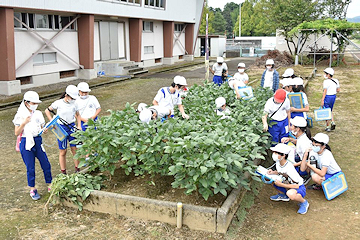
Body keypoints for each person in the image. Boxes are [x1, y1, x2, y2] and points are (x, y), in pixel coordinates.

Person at [13, 91, 52, 200]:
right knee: (30, 167)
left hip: (37, 139)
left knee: (46, 163)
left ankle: (50, 184)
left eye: (36, 103)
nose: (35, 105)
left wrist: (45, 129)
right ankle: (32, 189)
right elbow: (16, 132)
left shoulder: (38, 113)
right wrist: (24, 123)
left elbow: (42, 126)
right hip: (26, 141)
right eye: (33, 103)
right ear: (26, 102)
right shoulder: (20, 115)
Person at [45, 85, 81, 174]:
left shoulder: (75, 103)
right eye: (72, 98)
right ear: (66, 95)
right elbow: (47, 110)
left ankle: (77, 169)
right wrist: (52, 122)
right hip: (60, 127)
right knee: (63, 151)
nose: (73, 99)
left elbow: (78, 115)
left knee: (74, 149)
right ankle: (63, 172)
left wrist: (79, 125)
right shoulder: (58, 103)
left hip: (71, 126)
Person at [267, 143, 309, 214]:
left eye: (277, 153)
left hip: (298, 187)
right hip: (287, 183)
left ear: (283, 155)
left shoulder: (289, 168)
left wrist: (281, 185)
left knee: (291, 194)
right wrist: (273, 172)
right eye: (274, 152)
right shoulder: (278, 162)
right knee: (270, 178)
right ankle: (283, 195)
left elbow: (296, 186)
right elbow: (281, 172)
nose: (274, 154)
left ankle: (304, 202)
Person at [281, 116, 312, 184]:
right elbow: (298, 141)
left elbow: (307, 161)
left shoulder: (304, 143)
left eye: (292, 126)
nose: (291, 127)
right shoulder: (301, 137)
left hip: (304, 164)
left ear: (297, 129)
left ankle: (305, 175)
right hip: (300, 159)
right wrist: (289, 139)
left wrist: (292, 165)